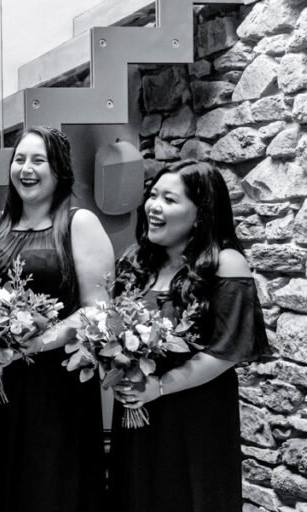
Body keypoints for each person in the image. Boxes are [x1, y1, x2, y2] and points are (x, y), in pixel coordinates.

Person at [0, 126, 114, 512]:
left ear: (59, 171)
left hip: (50, 385)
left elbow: (97, 309)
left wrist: (37, 341)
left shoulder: (79, 224)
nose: (27, 168)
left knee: (44, 485)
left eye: (39, 160)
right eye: (20, 159)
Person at [109, 160, 268, 512]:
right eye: (152, 196)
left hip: (194, 418)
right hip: (137, 412)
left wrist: (160, 386)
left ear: (200, 214)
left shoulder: (226, 264)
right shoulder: (135, 263)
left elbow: (227, 351)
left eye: (169, 199)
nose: (154, 206)